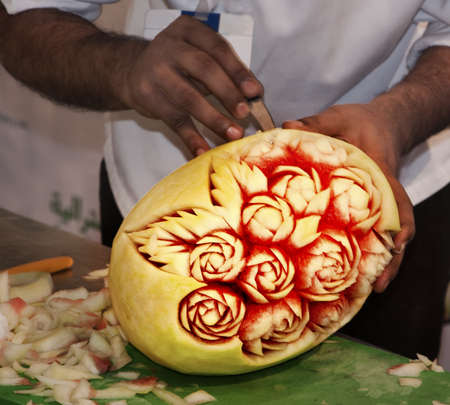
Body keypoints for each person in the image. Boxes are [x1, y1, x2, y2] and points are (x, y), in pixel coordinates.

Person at [0, 0, 449, 360]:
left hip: (382, 183)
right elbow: (24, 17)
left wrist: (399, 117)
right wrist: (124, 66)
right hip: (161, 187)